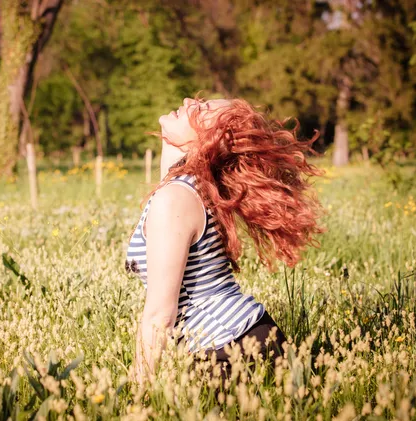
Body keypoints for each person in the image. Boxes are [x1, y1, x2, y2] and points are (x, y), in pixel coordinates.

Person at [125, 96, 326, 385]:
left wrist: (139, 393)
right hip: (244, 340)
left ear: (208, 140)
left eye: (203, 108)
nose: (188, 101)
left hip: (228, 352)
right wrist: (173, 140)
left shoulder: (175, 200)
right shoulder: (187, 186)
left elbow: (159, 315)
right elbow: (172, 167)